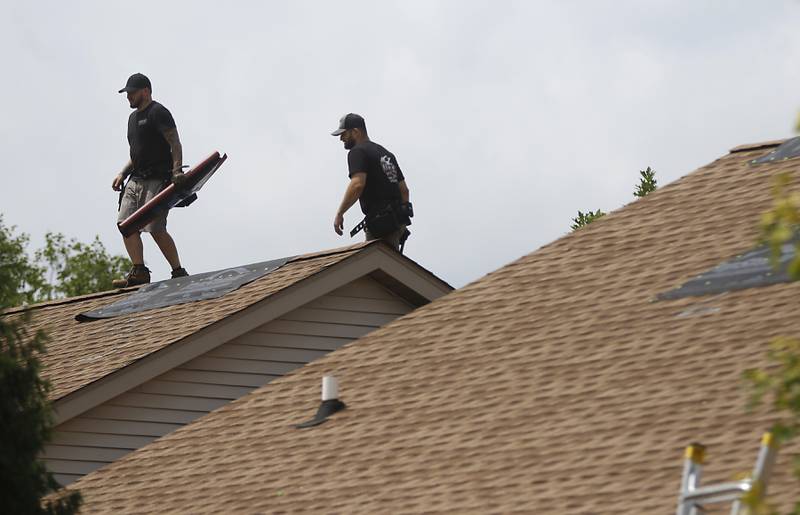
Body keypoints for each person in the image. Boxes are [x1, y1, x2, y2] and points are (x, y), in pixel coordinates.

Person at [111, 73, 188, 287]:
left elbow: (175, 142)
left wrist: (178, 170)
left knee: (155, 227)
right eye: (127, 94)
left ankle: (178, 270)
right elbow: (137, 154)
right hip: (136, 179)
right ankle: (139, 272)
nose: (128, 97)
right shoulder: (132, 119)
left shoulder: (158, 112)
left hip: (157, 179)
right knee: (125, 224)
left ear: (145, 91)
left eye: (132, 93)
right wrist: (122, 173)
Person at [331, 113, 412, 251]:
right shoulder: (387, 154)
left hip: (380, 223)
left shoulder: (357, 152)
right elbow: (404, 190)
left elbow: (357, 185)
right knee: (392, 265)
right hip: (396, 222)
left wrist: (340, 213)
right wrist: (401, 224)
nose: (341, 139)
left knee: (374, 266)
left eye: (344, 134)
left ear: (355, 131)